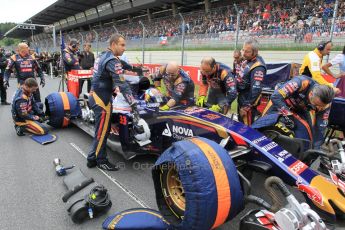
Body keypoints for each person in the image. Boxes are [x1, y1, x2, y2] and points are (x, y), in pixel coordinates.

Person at [87, 34, 143, 171]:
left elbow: (120, 63)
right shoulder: (112, 60)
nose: (124, 48)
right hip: (102, 100)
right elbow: (123, 85)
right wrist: (133, 104)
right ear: (113, 44)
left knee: (102, 130)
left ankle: (93, 158)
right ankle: (99, 160)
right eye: (122, 45)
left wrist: (133, 68)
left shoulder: (103, 55)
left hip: (96, 96)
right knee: (102, 132)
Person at [258, 75, 335, 149]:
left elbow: (321, 127)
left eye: (320, 106)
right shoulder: (301, 82)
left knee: (310, 133)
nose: (318, 107)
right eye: (315, 104)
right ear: (311, 94)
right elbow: (275, 97)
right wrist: (288, 114)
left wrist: (316, 148)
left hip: (302, 108)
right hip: (281, 101)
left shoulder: (326, 104)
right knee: (263, 123)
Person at [237, 39, 267, 126]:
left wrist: (246, 107)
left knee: (246, 129)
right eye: (243, 50)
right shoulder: (248, 60)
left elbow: (256, 90)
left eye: (247, 51)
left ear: (255, 52)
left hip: (247, 104)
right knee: (240, 126)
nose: (243, 53)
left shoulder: (258, 67)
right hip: (242, 99)